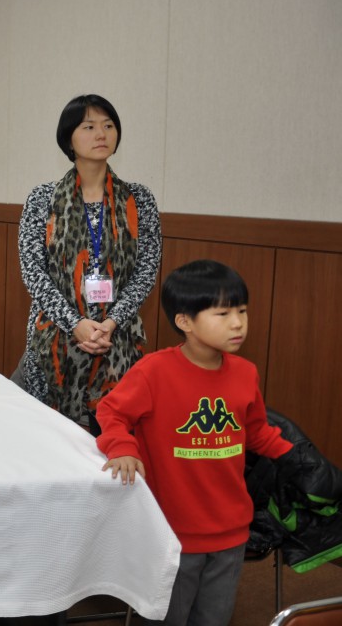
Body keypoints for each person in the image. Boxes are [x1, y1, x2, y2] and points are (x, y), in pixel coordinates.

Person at [96, 260, 294, 626]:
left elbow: (256, 432)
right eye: (222, 313)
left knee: (214, 617)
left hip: (231, 529)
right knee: (167, 617)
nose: (238, 323)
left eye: (242, 311)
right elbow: (111, 412)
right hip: (172, 530)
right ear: (185, 321)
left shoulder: (245, 373)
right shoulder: (154, 372)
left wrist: (298, 459)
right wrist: (122, 447)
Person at [14, 94, 161, 432]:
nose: (101, 134)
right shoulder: (43, 199)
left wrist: (111, 323)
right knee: (46, 437)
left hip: (117, 342)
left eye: (108, 126)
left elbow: (147, 270)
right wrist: (75, 324)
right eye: (89, 127)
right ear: (69, 139)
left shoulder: (139, 199)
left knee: (110, 439)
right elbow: (33, 272)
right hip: (54, 341)